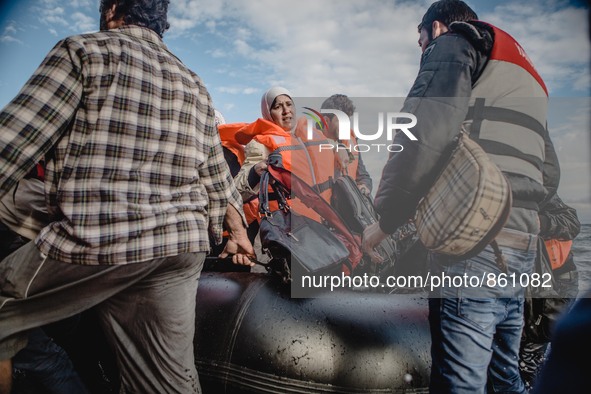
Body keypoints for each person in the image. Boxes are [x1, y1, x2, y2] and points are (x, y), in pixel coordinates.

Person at [0, 1, 254, 393]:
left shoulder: (84, 52)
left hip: (100, 240)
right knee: (165, 383)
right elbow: (216, 180)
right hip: (178, 249)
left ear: (113, 8)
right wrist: (235, 233)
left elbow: (11, 145)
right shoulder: (194, 83)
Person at [362, 0, 560, 392]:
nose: (424, 53)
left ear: (435, 29)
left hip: (472, 246)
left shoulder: (452, 43)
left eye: (421, 43)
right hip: (522, 246)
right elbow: (549, 175)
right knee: (505, 375)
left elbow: (422, 133)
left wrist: (386, 221)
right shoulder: (525, 74)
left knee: (460, 382)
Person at [519, 193, 580, 389]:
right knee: (530, 351)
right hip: (526, 286)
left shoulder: (540, 193)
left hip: (558, 282)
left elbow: (572, 222)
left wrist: (540, 222)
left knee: (534, 351)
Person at [320, 94, 373, 196]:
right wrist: (335, 147)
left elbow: (364, 176)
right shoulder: (310, 144)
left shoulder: (353, 142)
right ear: (326, 121)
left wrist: (364, 187)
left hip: (347, 205)